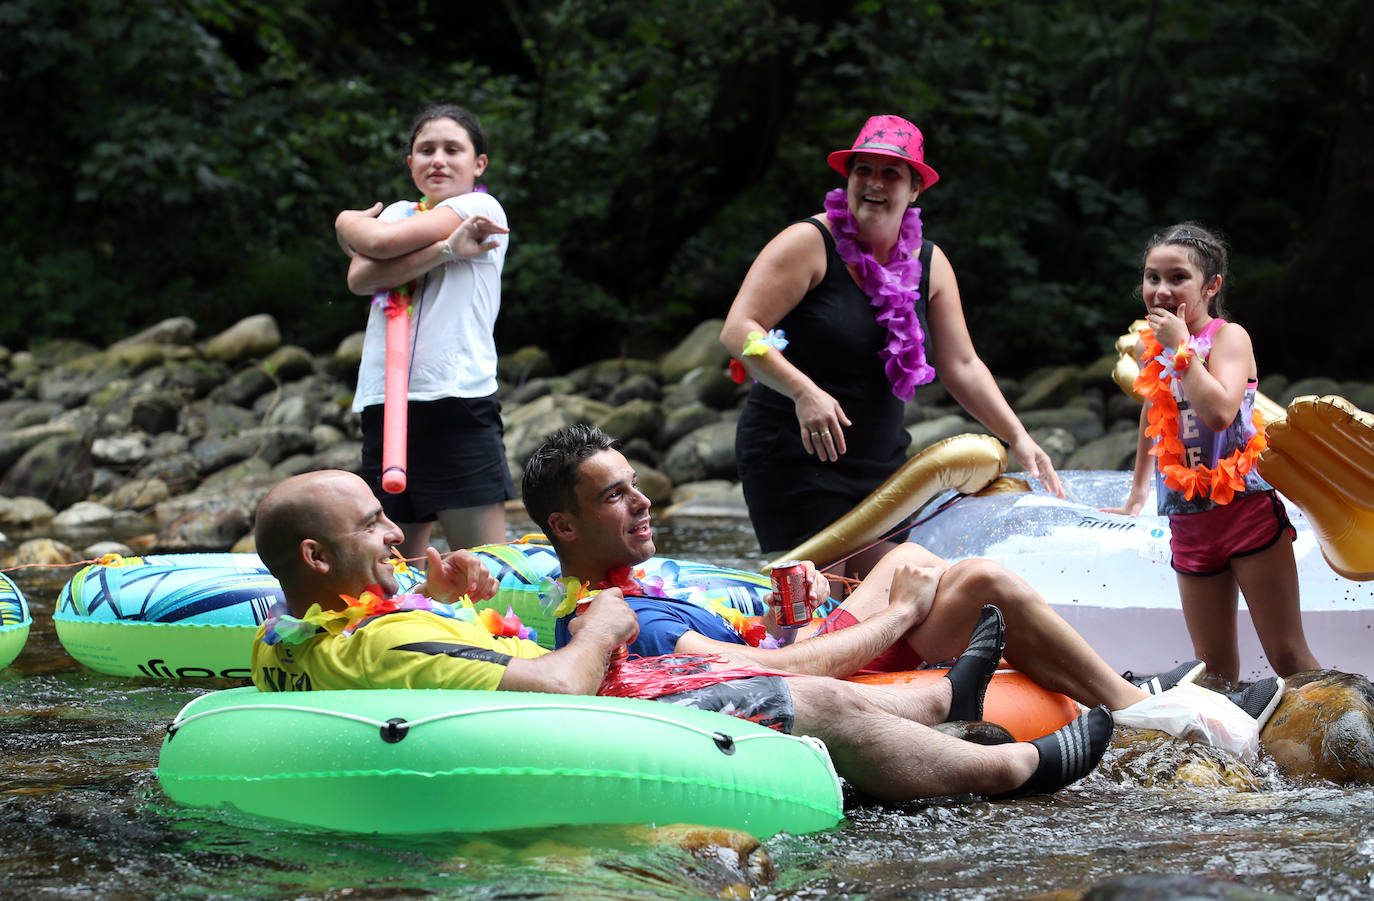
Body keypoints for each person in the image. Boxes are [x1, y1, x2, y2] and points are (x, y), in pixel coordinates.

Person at [250, 468, 1115, 802]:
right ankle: (1012, 770)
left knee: (809, 664)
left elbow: (413, 657)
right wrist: (604, 625)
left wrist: (445, 603)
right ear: (319, 555)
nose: (396, 532)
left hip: (523, 710)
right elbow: (558, 686)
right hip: (568, 729)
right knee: (805, 699)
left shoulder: (282, 640)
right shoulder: (387, 639)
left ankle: (940, 702)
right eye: (373, 524)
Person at [523, 424, 1285, 739]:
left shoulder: (630, 589)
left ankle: (1097, 677)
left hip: (803, 645)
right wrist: (898, 617)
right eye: (616, 495)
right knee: (977, 578)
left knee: (904, 556)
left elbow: (760, 646)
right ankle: (1137, 709)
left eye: (635, 483)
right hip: (825, 677)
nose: (642, 500)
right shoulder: (630, 621)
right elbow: (773, 678)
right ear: (565, 526)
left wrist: (797, 610)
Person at [721, 114, 1064, 583]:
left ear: (915, 188)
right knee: (826, 595)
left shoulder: (931, 263)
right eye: (863, 170)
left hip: (881, 466)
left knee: (903, 590)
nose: (874, 183)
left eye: (891, 173)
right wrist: (804, 391)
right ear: (848, 178)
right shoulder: (809, 243)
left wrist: (1019, 438)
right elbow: (740, 329)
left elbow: (962, 365)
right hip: (797, 457)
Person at [1104, 222, 1320, 684]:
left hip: (1246, 512)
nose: (1161, 290)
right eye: (1152, 277)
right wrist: (1137, 493)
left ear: (1211, 286)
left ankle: (1347, 722)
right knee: (1214, 672)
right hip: (1188, 522)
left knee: (1288, 655)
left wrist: (1181, 348)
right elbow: (1152, 410)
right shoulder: (1150, 347)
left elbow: (1220, 412)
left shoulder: (1229, 338)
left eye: (1178, 277)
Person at [334, 103, 514, 562]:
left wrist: (349, 223)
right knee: (396, 569)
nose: (438, 160)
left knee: (484, 566)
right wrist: (447, 250)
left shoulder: (480, 207)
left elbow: (378, 244)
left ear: (479, 164)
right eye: (426, 149)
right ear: (410, 162)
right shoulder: (398, 211)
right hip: (385, 404)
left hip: (457, 399)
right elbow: (361, 278)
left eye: (453, 149)